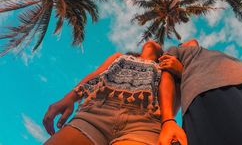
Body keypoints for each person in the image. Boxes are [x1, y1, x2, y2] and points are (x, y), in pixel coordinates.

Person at [43, 41, 183, 145]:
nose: (154, 42)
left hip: (143, 124)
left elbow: (171, 99)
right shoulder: (119, 57)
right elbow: (97, 74)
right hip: (95, 113)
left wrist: (168, 121)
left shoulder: (164, 66)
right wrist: (70, 97)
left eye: (159, 43)